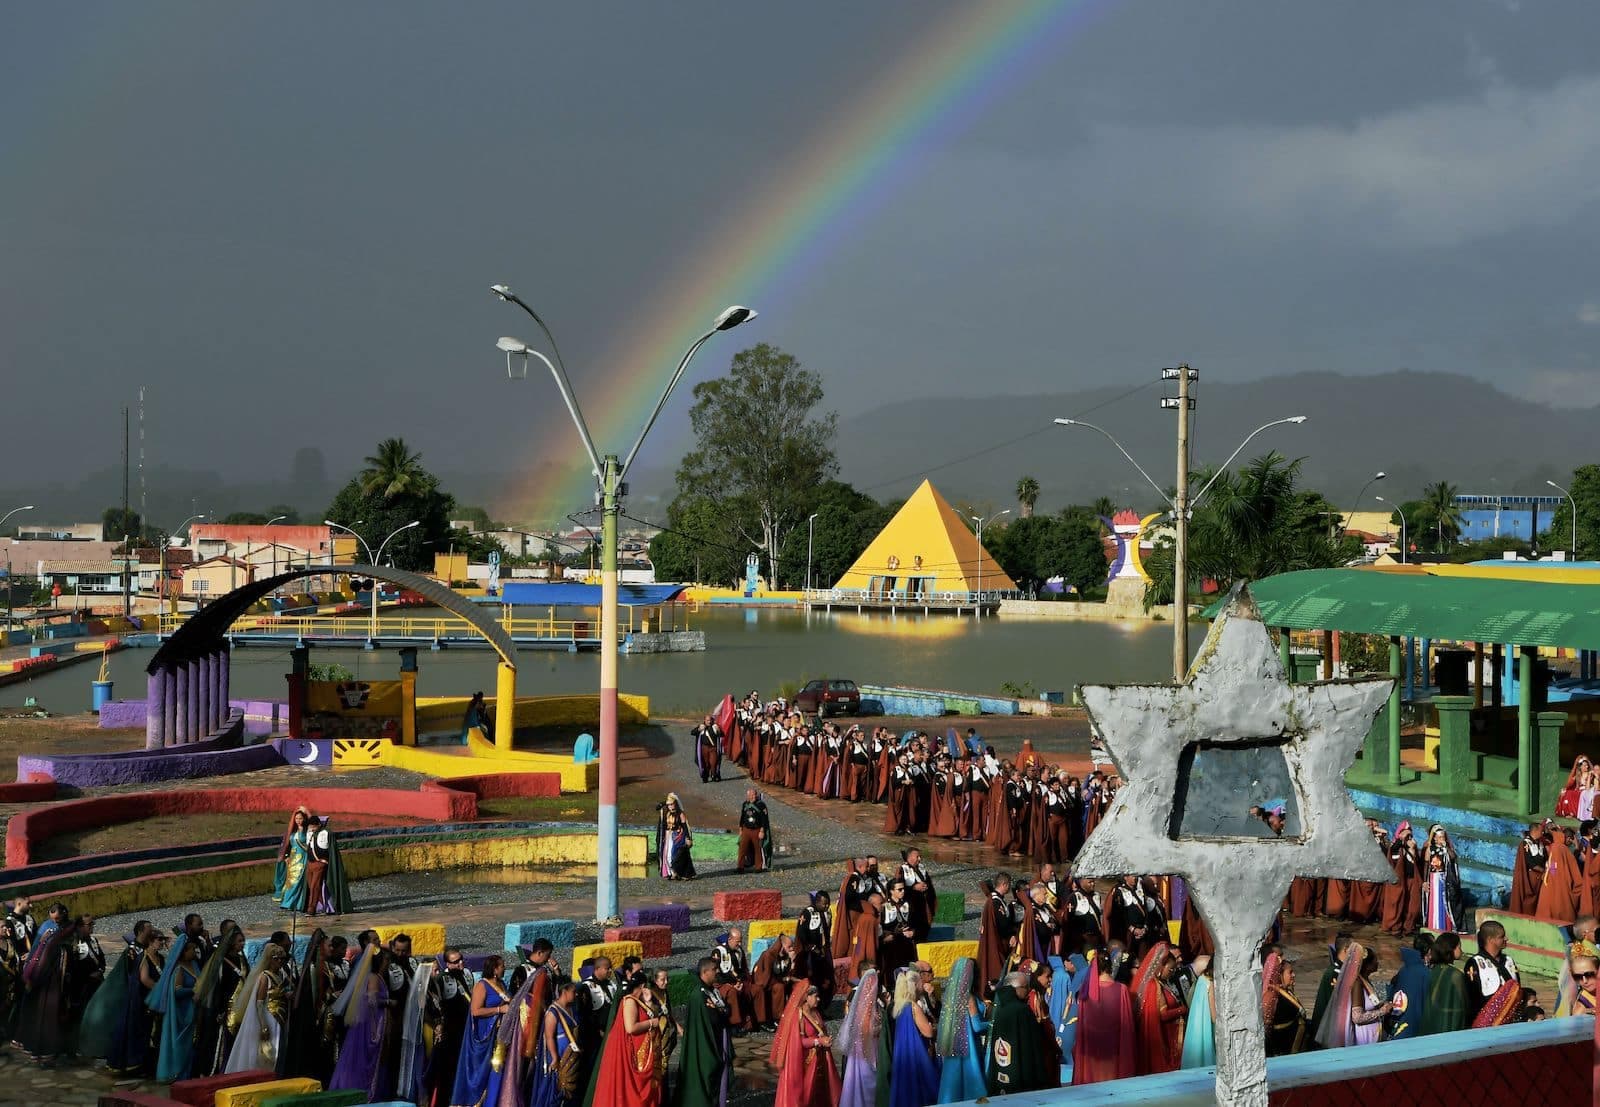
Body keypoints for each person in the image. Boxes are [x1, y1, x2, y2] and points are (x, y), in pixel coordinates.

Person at [592, 972, 665, 1107]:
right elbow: (630, 1028)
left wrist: (648, 1001)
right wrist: (652, 1023)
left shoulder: (640, 1001)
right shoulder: (630, 1001)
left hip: (640, 1053)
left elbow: (651, 1013)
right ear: (643, 985)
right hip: (631, 1054)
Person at [329, 945, 392, 1099]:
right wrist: (389, 1002)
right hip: (371, 1023)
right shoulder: (373, 977)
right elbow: (372, 1000)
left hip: (366, 1022)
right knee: (366, 1058)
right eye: (385, 960)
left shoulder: (373, 976)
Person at [449, 954, 508, 1107]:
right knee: (481, 1072)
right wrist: (499, 1009)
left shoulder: (502, 984)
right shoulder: (482, 986)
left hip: (500, 1037)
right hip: (485, 1037)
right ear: (494, 969)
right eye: (502, 966)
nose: (504, 968)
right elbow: (475, 1011)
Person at [769, 983, 839, 1107]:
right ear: (807, 997)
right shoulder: (798, 1016)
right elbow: (799, 1042)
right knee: (806, 1095)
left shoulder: (815, 1012)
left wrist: (825, 1040)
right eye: (816, 996)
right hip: (805, 1062)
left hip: (818, 1060)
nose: (819, 999)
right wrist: (818, 1041)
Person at [676, 957, 732, 1107]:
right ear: (705, 972)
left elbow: (726, 1010)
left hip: (718, 1039)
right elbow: (712, 1019)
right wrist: (719, 1011)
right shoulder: (699, 996)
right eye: (714, 969)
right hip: (704, 1046)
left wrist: (719, 1010)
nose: (717, 971)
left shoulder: (712, 991)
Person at [1313, 941, 1391, 1048]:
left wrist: (1381, 1005)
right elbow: (1357, 1017)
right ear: (1367, 965)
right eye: (1375, 960)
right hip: (1364, 1039)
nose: (1377, 963)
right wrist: (1382, 1011)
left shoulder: (1365, 981)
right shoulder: (1357, 983)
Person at [224, 943, 288, 1073]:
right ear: (270, 959)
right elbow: (259, 1003)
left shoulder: (280, 975)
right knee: (267, 1050)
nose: (280, 962)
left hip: (279, 1017)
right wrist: (263, 1024)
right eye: (277, 959)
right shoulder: (265, 977)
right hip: (268, 1016)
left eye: (282, 959)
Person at [148, 932, 201, 1082]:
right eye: (191, 949)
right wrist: (193, 991)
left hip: (194, 1009)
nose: (194, 952)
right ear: (184, 952)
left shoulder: (194, 965)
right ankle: (179, 1074)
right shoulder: (179, 970)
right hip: (182, 1012)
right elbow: (177, 991)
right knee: (183, 1044)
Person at [934, 958, 987, 1103]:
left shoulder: (950, 999)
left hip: (954, 1046)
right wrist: (994, 1023)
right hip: (970, 1049)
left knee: (953, 1085)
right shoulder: (968, 997)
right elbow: (977, 1026)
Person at [426, 948, 473, 1107]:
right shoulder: (441, 979)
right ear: (447, 963)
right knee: (448, 1069)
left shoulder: (467, 974)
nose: (460, 963)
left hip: (465, 1029)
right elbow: (437, 1006)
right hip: (450, 1031)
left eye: (461, 959)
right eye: (455, 962)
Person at [1130, 943, 1186, 1075]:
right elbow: (1162, 1015)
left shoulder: (1160, 983)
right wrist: (1181, 1010)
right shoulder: (1154, 986)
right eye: (1170, 969)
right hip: (1161, 1042)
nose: (1171, 973)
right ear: (1161, 967)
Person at [529, 977, 583, 1107]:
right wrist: (554, 1057)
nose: (576, 994)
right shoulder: (552, 1012)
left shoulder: (572, 1008)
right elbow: (549, 1037)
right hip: (560, 1057)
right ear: (564, 991)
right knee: (556, 1091)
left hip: (572, 1057)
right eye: (573, 991)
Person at [887, 967, 938, 1107]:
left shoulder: (899, 1006)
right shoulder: (913, 1007)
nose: (922, 985)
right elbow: (928, 1032)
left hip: (903, 1054)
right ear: (915, 986)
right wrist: (936, 1027)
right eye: (920, 983)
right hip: (917, 1052)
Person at [836, 968, 880, 1107]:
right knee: (866, 1079)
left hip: (858, 1046)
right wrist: (881, 1028)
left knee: (854, 1078)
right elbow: (867, 1030)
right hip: (866, 1047)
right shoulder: (868, 1005)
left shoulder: (861, 1002)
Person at [1463, 920, 1520, 1026]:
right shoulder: (1475, 963)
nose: (1506, 939)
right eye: (1501, 936)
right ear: (1490, 940)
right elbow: (1471, 998)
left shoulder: (1509, 961)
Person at [1421, 933, 1468, 1035]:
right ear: (1451, 949)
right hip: (1450, 1027)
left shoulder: (1433, 970)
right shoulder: (1456, 975)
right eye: (1459, 947)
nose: (1461, 950)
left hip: (1431, 1025)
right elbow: (1463, 1005)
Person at [1261, 952, 1308, 1056]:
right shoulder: (1275, 998)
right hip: (1284, 1049)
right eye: (1290, 972)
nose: (1293, 975)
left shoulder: (1285, 992)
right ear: (1279, 975)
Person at [1535, 827, 1582, 924]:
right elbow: (1570, 867)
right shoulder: (1562, 849)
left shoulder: (1554, 847)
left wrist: (1552, 878)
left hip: (1550, 885)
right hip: (1560, 886)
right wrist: (1577, 847)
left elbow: (1553, 868)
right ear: (1568, 838)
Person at [1388, 935, 1431, 1040]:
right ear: (1429, 951)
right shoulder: (1424, 973)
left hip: (1398, 1023)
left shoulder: (1405, 969)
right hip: (1412, 1028)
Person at [750, 933, 796, 1031]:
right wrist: (783, 979)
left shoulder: (786, 956)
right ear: (782, 947)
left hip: (777, 981)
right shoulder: (768, 955)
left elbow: (786, 972)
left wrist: (792, 962)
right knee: (779, 987)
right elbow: (765, 977)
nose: (791, 949)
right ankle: (771, 1020)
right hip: (764, 983)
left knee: (786, 986)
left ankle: (786, 1015)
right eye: (789, 947)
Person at [1179, 957, 1215, 1069]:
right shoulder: (1210, 982)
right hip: (1208, 1027)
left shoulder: (1201, 979)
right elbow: (1214, 1017)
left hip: (1196, 1025)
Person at [1510, 822, 1549, 915]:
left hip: (1540, 878)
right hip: (1530, 878)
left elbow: (1546, 860)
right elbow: (1529, 862)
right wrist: (1544, 871)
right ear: (1535, 831)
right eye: (1541, 831)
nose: (1542, 833)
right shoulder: (1525, 844)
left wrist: (1550, 871)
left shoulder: (1541, 844)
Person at [274, 807, 311, 906]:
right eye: (296, 819)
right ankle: (288, 902)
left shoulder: (307, 830)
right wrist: (286, 856)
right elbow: (286, 845)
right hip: (292, 859)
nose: (298, 821)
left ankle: (295, 903)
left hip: (303, 858)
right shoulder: (291, 832)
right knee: (291, 880)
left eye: (300, 818)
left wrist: (307, 811)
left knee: (298, 880)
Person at [657, 794, 696, 881]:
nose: (670, 806)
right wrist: (664, 803)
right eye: (669, 805)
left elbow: (685, 826)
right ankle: (672, 872)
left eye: (672, 804)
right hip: (668, 836)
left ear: (676, 803)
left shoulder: (680, 814)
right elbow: (658, 808)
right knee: (667, 855)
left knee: (676, 855)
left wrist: (688, 838)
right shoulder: (667, 813)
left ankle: (677, 872)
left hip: (678, 836)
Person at [736, 789, 772, 873]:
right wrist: (740, 828)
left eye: (754, 795)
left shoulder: (761, 805)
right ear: (747, 796)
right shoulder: (745, 804)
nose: (753, 797)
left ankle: (758, 867)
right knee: (742, 848)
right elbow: (742, 817)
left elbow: (764, 819)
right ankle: (740, 867)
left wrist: (762, 831)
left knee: (757, 849)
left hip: (756, 830)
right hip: (746, 829)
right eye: (750, 795)